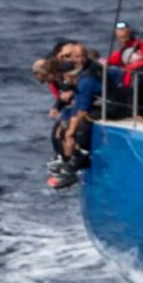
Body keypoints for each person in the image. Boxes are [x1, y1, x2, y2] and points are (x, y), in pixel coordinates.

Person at [46, 51, 102, 189]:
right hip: (80, 108)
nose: (65, 81)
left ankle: (74, 163)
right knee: (59, 131)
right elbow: (75, 104)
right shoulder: (75, 84)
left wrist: (71, 129)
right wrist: (57, 108)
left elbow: (81, 108)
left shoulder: (85, 82)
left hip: (99, 108)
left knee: (72, 133)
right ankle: (64, 159)